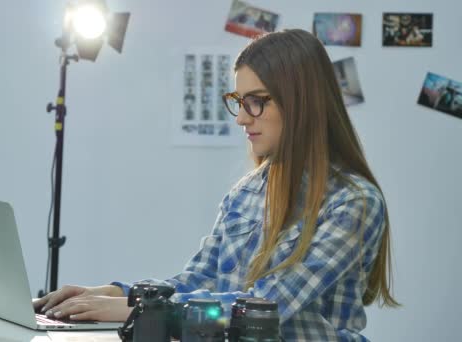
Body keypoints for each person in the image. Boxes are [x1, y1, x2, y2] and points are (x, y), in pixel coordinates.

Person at [33, 29, 399, 341]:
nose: (241, 117)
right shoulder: (245, 193)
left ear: (301, 103)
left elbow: (266, 306)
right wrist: (114, 292)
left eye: (256, 102)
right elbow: (199, 280)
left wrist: (131, 308)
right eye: (239, 101)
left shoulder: (353, 202)